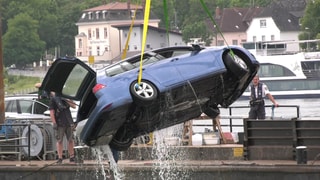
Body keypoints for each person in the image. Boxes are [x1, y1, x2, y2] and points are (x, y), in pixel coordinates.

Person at [49, 91, 77, 164]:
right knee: (59, 140)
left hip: (69, 121)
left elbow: (74, 106)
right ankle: (60, 157)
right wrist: (54, 122)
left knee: (71, 140)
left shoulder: (65, 98)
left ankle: (72, 156)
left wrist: (67, 99)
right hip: (59, 123)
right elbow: (52, 112)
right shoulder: (53, 99)